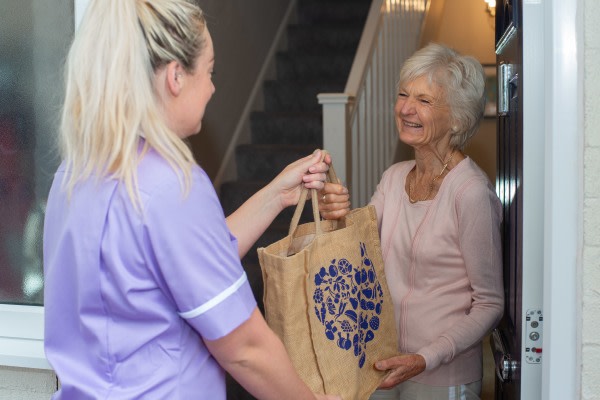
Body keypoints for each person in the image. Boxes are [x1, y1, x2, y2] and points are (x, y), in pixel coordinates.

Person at [42, 1, 343, 399]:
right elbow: (246, 349)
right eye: (210, 70)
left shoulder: (74, 173)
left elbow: (191, 265)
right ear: (176, 76)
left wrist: (277, 194)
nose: (214, 87)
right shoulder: (173, 186)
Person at [319, 43, 504, 399]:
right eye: (403, 95)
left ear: (458, 118)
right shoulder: (393, 177)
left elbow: (490, 304)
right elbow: (361, 251)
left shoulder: (471, 194)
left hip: (442, 375)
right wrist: (337, 213)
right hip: (382, 365)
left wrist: (425, 357)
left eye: (424, 100)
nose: (406, 108)